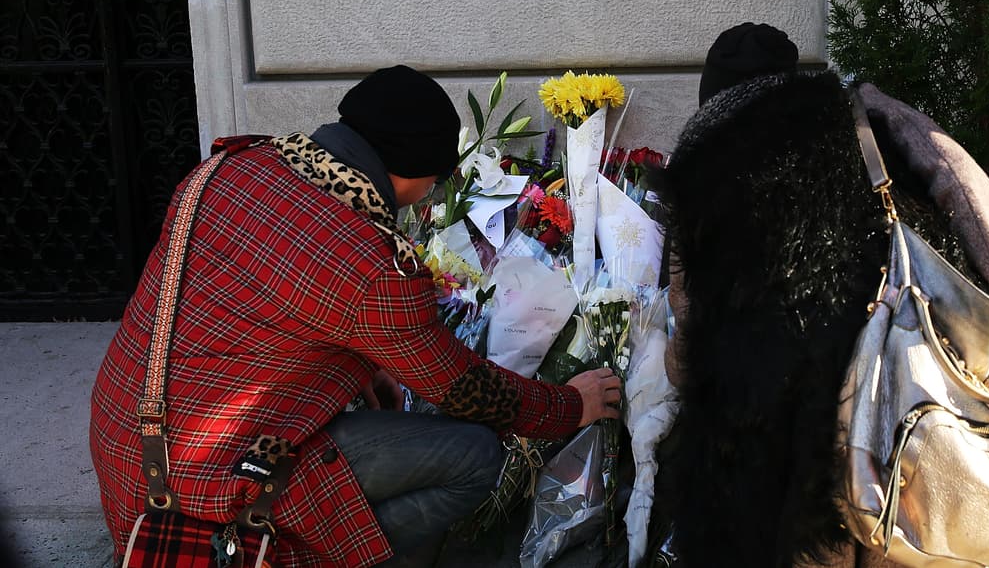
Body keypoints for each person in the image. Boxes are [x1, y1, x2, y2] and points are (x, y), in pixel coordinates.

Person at [89, 65, 621, 568]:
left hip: (128, 447)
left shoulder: (230, 167)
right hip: (211, 486)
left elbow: (259, 314)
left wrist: (364, 364)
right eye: (435, 182)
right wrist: (570, 406)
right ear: (413, 173)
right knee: (476, 456)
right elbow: (463, 388)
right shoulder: (369, 260)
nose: (429, 195)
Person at [653, 24, 989, 568]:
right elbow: (968, 190)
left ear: (710, 101)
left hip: (784, 448)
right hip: (902, 394)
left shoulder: (701, 174)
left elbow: (690, 343)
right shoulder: (862, 114)